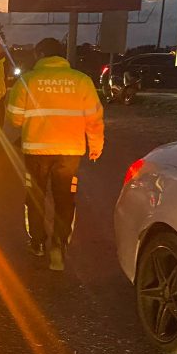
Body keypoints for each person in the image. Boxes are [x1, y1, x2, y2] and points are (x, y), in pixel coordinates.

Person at [6, 37, 104, 271]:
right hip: (70, 152)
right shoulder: (82, 81)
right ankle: (59, 244)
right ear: (61, 56)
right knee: (65, 199)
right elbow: (94, 118)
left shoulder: (27, 80)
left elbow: (15, 118)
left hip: (36, 151)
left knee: (36, 197)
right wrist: (96, 146)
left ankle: (37, 243)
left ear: (40, 56)